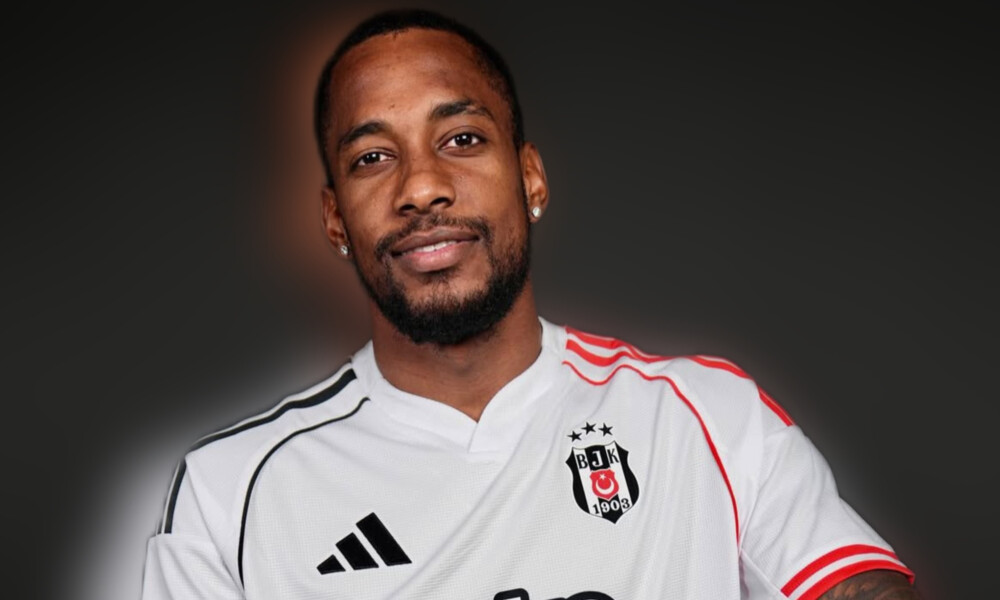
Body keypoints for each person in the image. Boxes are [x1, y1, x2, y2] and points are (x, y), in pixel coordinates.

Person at [141, 9, 919, 600]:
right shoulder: (229, 493)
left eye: (461, 139)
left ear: (532, 179)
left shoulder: (705, 418)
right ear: (335, 219)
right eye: (373, 157)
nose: (421, 187)